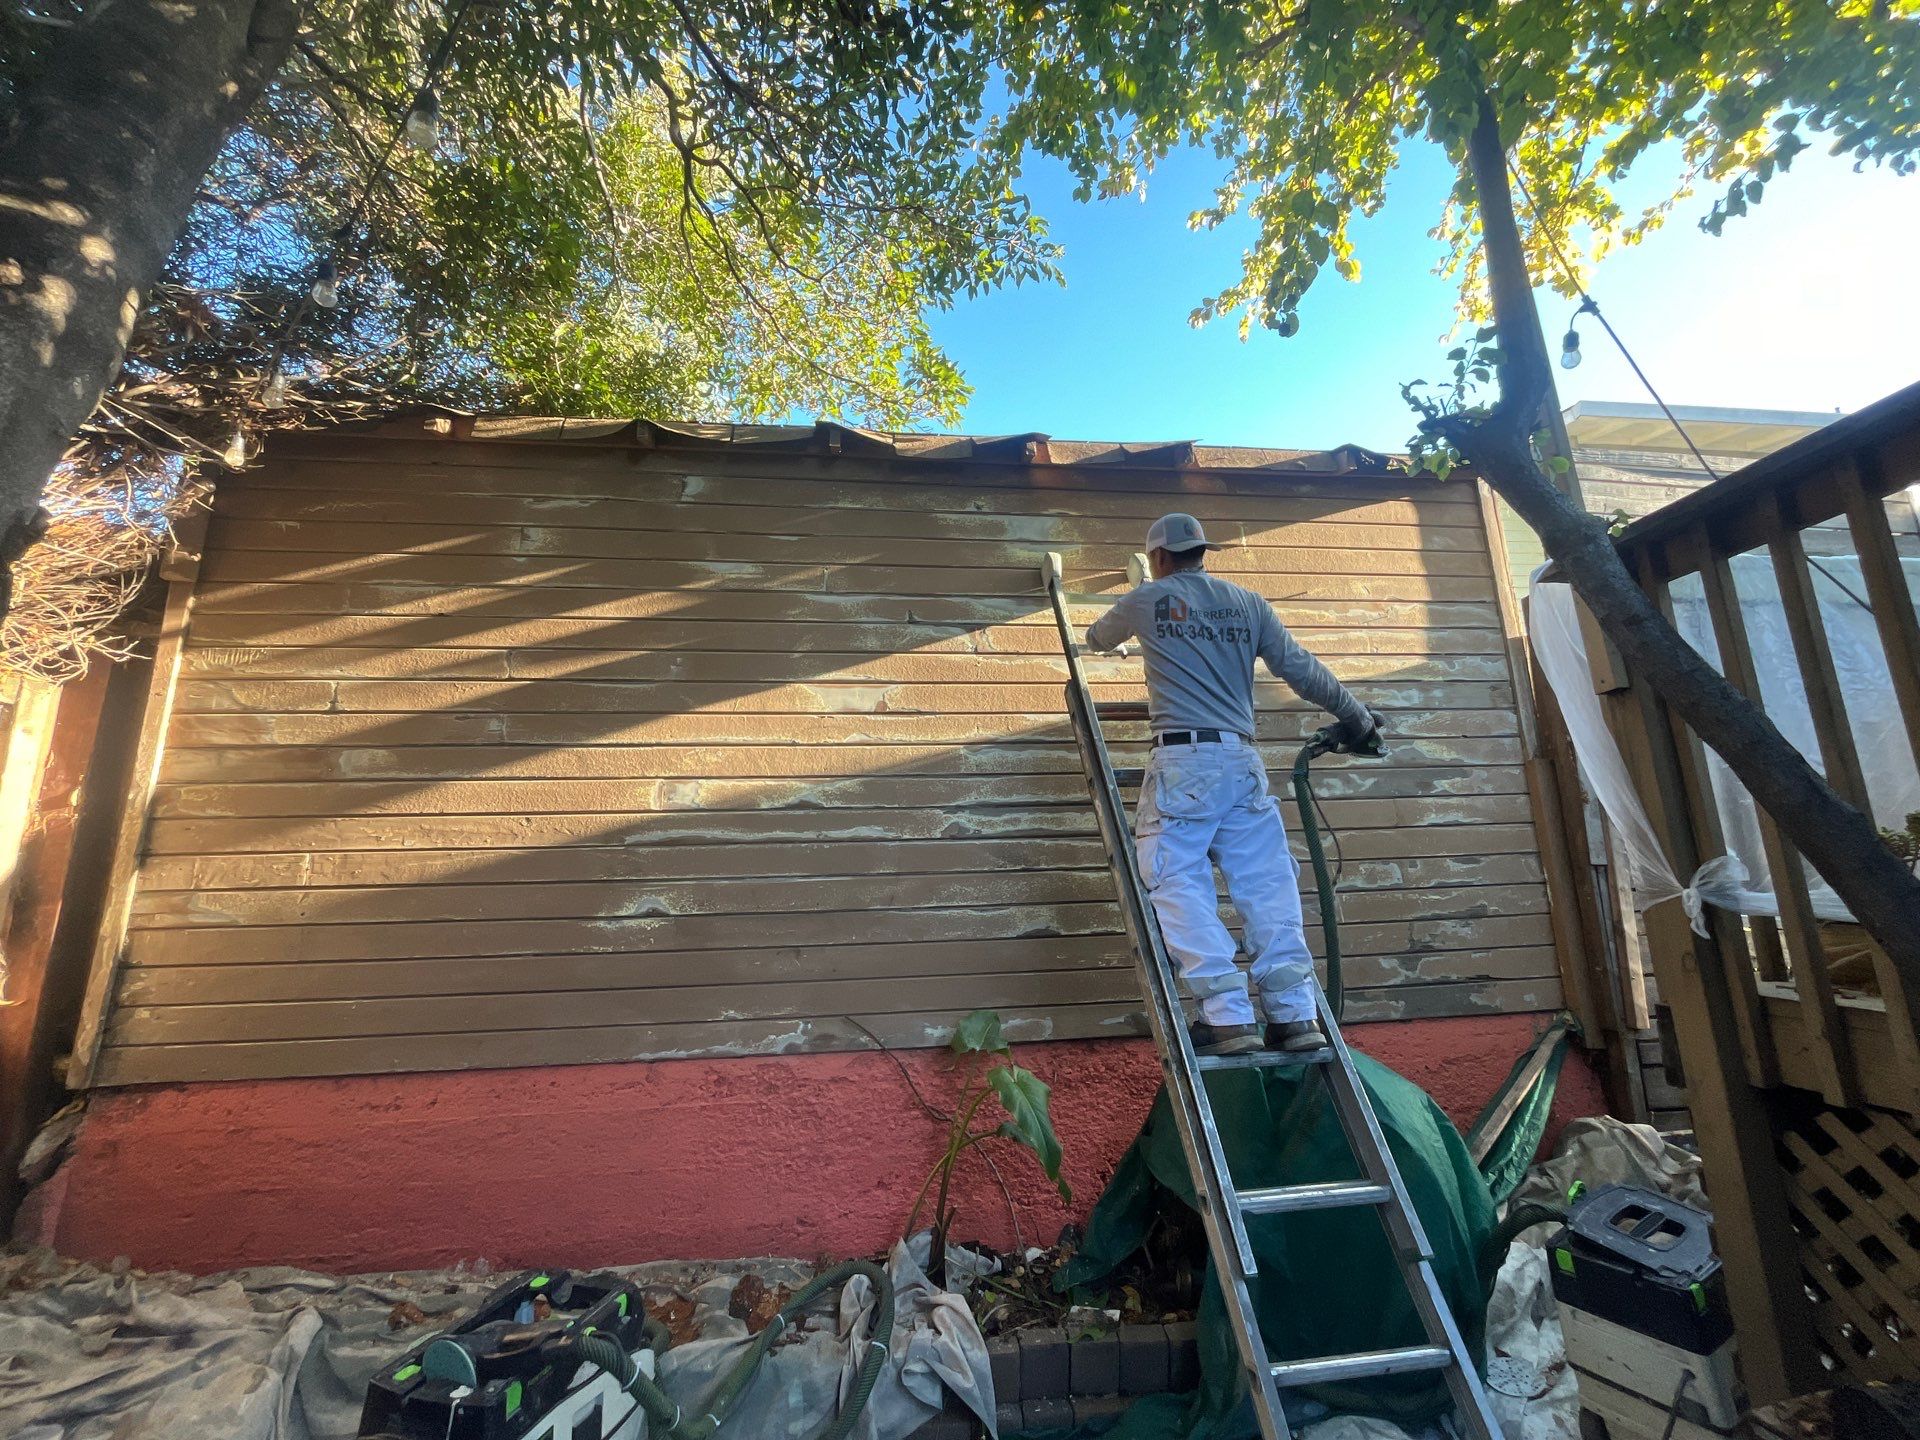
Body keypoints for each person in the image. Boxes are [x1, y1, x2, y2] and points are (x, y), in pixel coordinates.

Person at [1086, 512, 1383, 1057]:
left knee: (1177, 880)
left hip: (1183, 762)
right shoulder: (1249, 603)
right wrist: (1358, 716)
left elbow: (1097, 639)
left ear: (1158, 557)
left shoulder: (1148, 598)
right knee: (1268, 884)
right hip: (1242, 762)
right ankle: (1295, 1018)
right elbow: (1303, 670)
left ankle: (1227, 1019)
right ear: (1203, 551)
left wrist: (1144, 606)